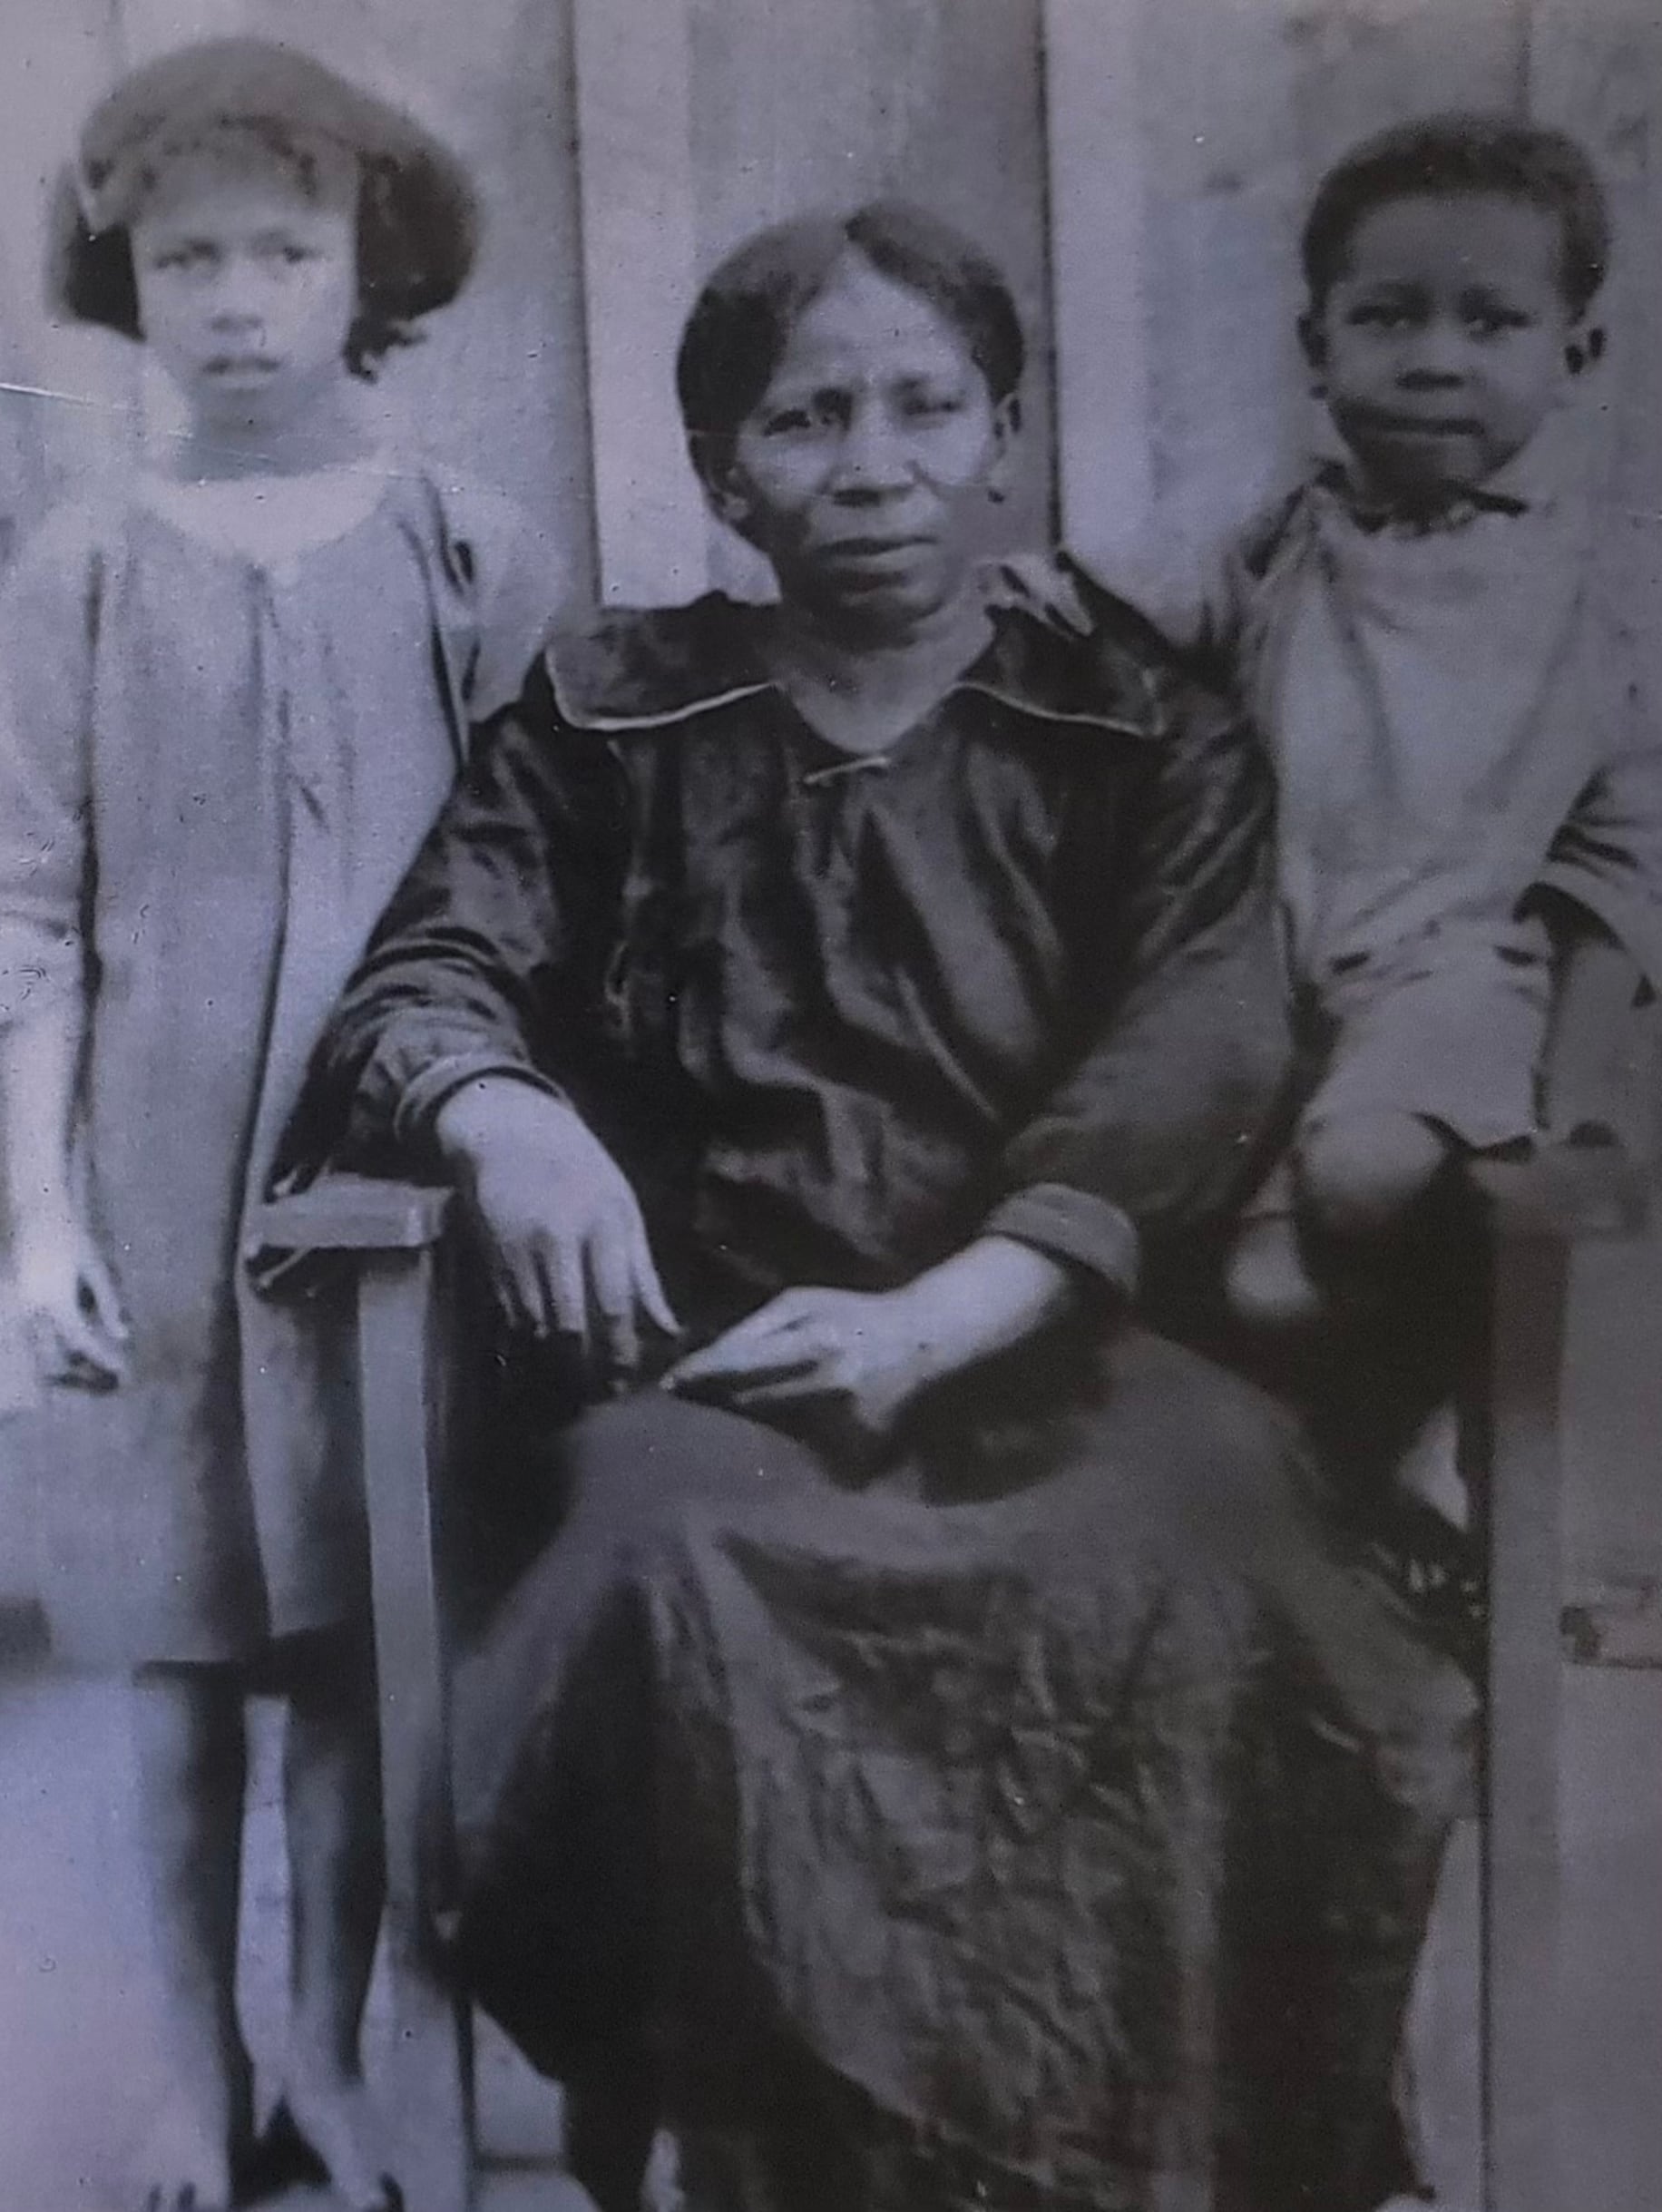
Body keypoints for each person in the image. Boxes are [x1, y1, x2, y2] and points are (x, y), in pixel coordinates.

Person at [282, 202, 1471, 2212]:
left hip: (1065, 1350)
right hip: (711, 1375)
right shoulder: (608, 715)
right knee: (661, 1580)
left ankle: (1163, 2156)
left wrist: (962, 1304)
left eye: (927, 407)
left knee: (1214, 1568)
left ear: (1005, 437)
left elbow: (1202, 1039)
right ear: (725, 469)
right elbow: (426, 969)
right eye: (809, 416)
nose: (876, 463)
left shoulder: (1135, 728)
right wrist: (500, 1112)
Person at [0, 41, 549, 2212]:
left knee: (365, 1660)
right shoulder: (82, 569)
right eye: (184, 255)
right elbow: (31, 913)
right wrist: (40, 1222)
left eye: (283, 252)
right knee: (180, 1678)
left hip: (391, 1195)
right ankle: (193, 2066)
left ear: (367, 265)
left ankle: (334, 2042)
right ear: (127, 276)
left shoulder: (469, 550)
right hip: (160, 1190)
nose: (234, 297)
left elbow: (541, 881)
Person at [1135, 114, 1662, 1548]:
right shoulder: (1278, 541)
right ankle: (1400, 1452)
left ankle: (1459, 1411)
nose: (1435, 357)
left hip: (1456, 966)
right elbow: (1131, 619)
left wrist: (1574, 1072)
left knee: (1367, 1176)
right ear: (1320, 349)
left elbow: (1629, 842)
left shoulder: (1600, 585)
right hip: (1275, 954)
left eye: (1491, 321)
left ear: (1578, 355)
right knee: (1260, 1293)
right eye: (1389, 318)